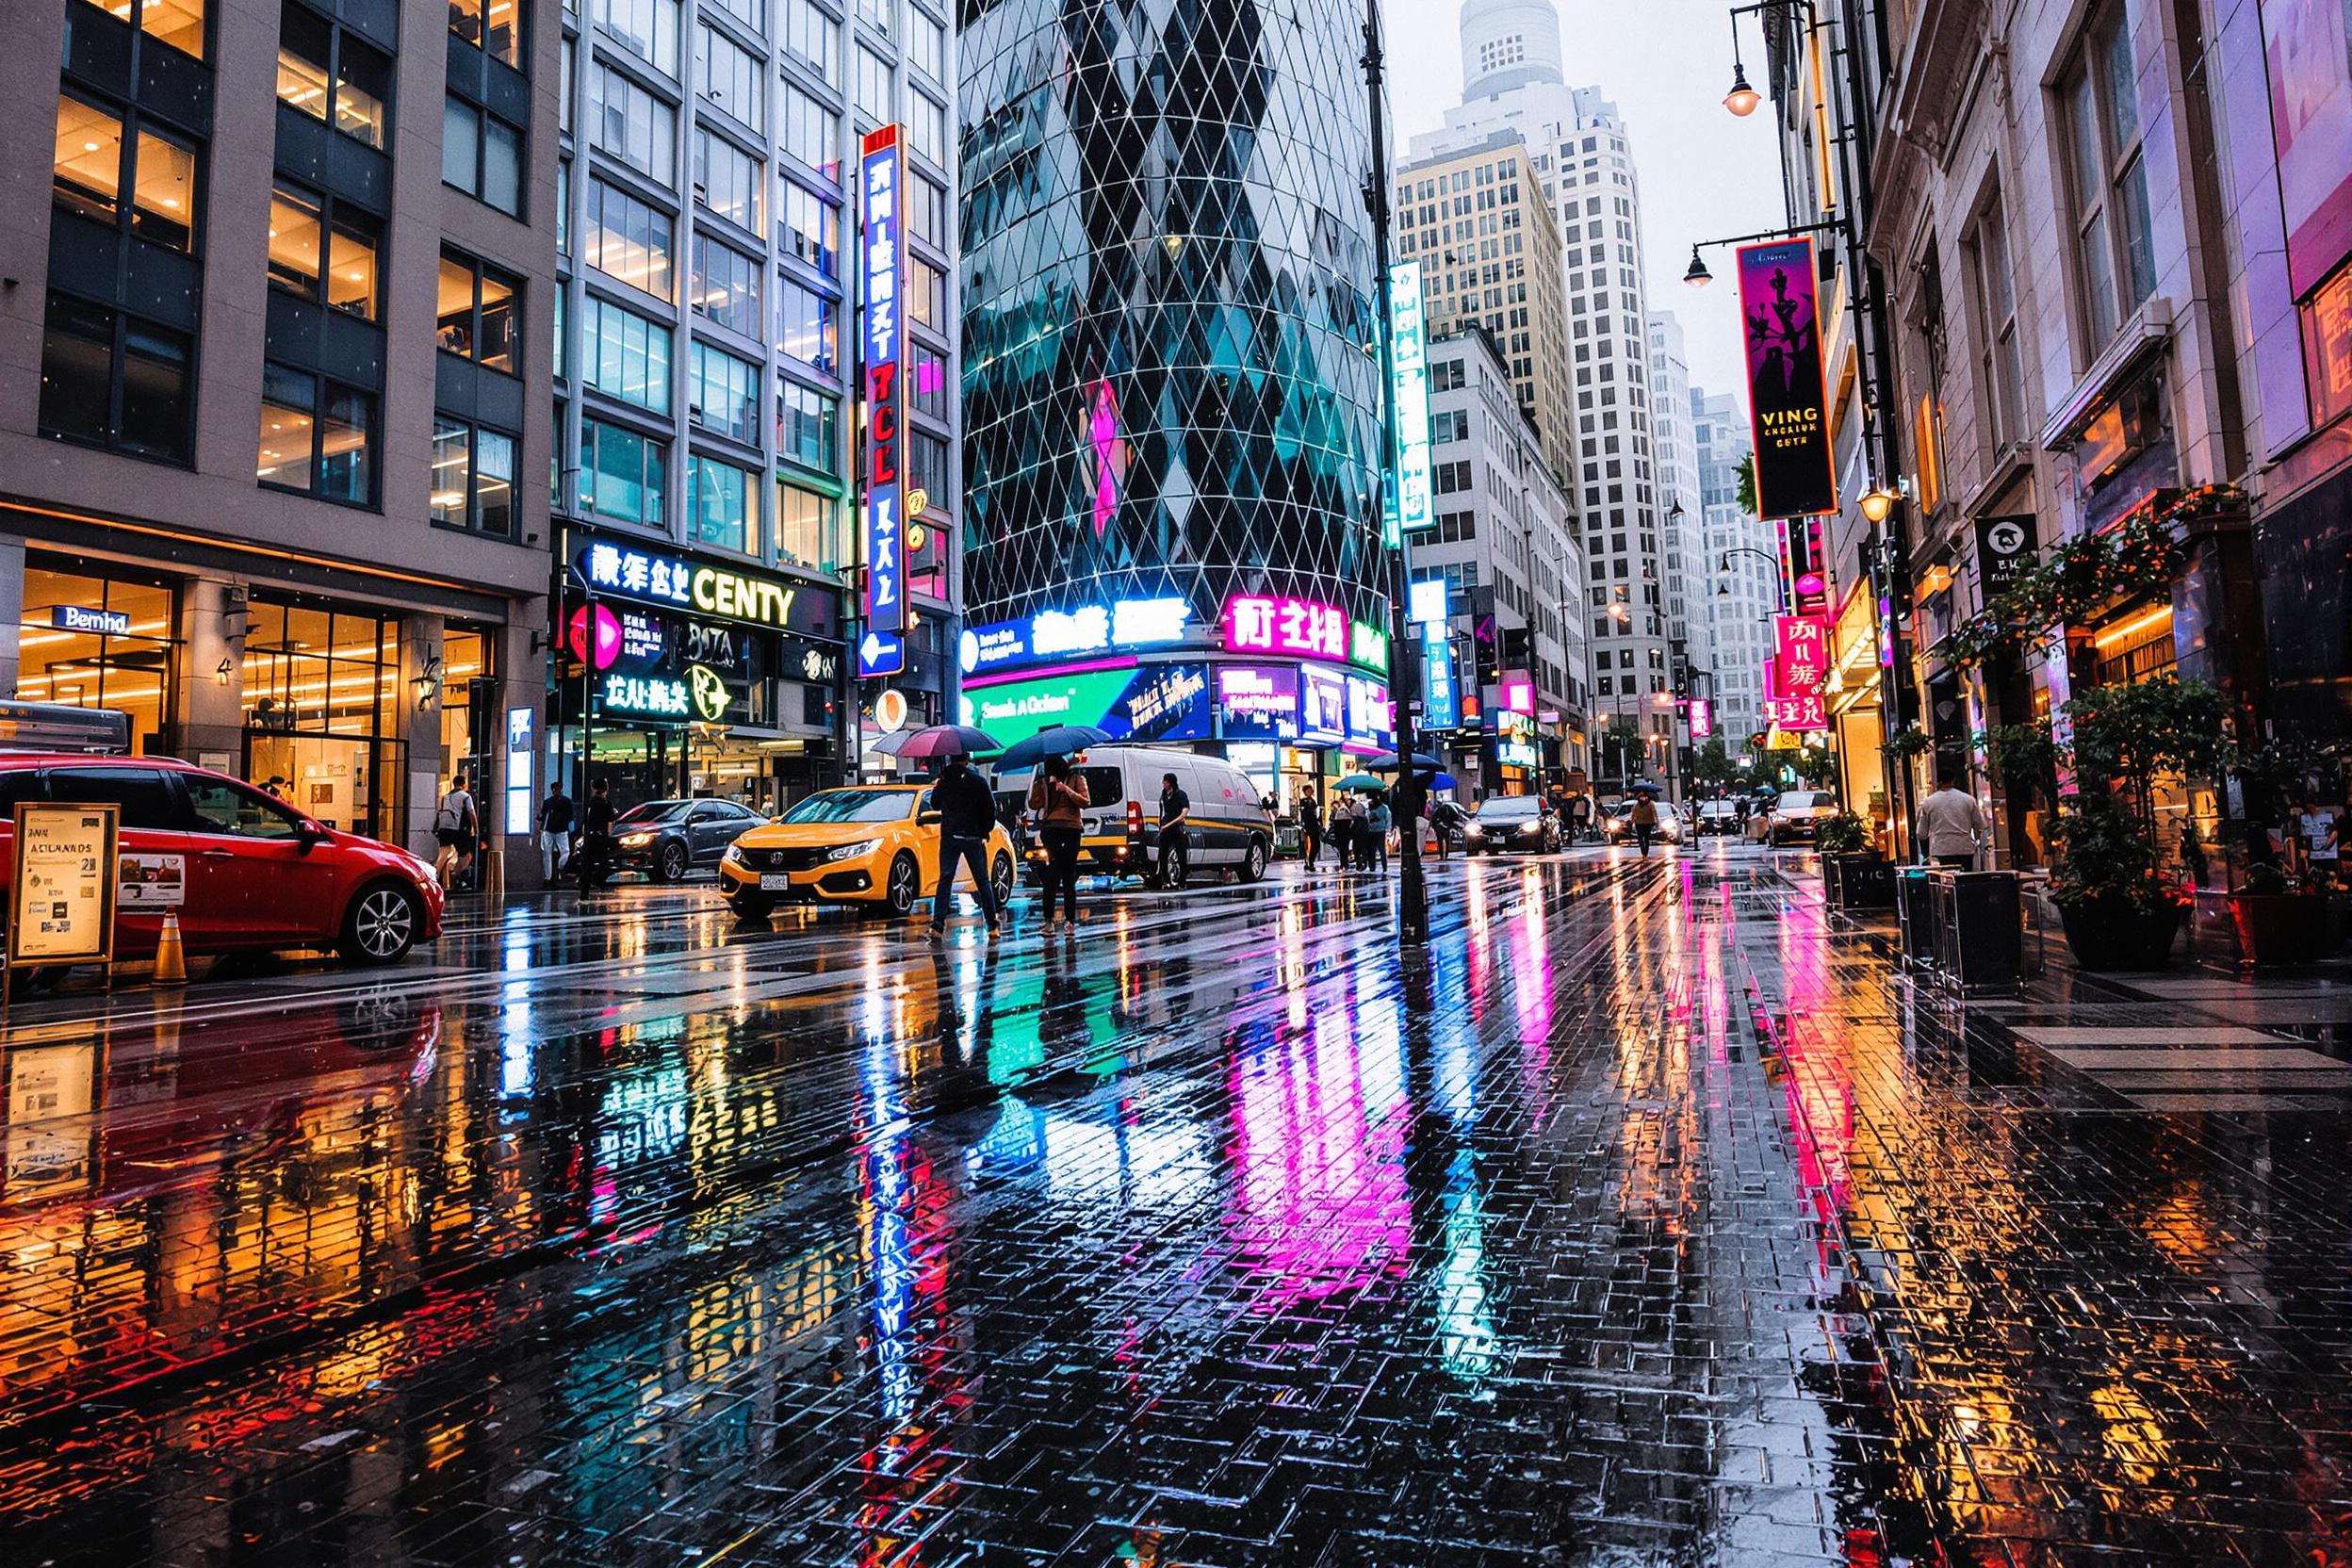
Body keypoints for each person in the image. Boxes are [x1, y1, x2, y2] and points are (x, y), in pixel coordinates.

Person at [925, 753, 1003, 939]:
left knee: (945, 879)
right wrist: (985, 831)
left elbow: (934, 804)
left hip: (950, 835)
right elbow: (990, 808)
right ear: (967, 758)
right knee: (982, 880)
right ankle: (992, 926)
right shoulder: (978, 781)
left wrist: (938, 786)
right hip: (973, 836)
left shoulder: (944, 780)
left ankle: (937, 926)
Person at [1028, 755, 1089, 930]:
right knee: (1057, 874)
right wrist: (1040, 785)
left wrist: (1066, 790)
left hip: (1069, 829)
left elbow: (1085, 802)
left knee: (1064, 874)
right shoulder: (1045, 784)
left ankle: (1060, 921)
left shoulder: (1076, 780)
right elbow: (1033, 804)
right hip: (1053, 829)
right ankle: (1057, 921)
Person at [1918, 766, 1987, 869]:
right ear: (1953, 781)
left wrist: (1926, 852)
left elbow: (1921, 833)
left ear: (1937, 782)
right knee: (1964, 881)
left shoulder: (1929, 802)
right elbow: (1980, 826)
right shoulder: (1968, 800)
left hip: (1940, 850)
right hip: (1965, 849)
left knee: (1945, 881)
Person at [434, 772, 479, 891]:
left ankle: (435, 875)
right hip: (458, 829)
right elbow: (471, 813)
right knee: (466, 855)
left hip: (444, 829)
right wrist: (476, 828)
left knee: (445, 852)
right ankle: (458, 877)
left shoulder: (446, 797)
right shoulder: (465, 796)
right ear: (464, 784)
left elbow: (439, 813)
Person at [579, 777, 618, 889]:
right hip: (601, 836)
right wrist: (608, 835)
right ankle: (597, 880)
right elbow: (610, 822)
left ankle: (585, 884)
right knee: (603, 862)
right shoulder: (607, 803)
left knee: (587, 862)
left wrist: (584, 834)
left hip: (589, 835)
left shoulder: (589, 802)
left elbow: (585, 820)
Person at [1156, 771, 1192, 888]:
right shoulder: (1163, 795)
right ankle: (1165, 880)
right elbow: (1162, 812)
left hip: (1177, 828)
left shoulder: (1180, 794)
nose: (1163, 784)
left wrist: (1170, 824)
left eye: (1165, 782)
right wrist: (1162, 825)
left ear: (1170, 783)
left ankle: (1182, 881)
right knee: (1162, 855)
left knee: (1181, 855)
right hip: (1165, 828)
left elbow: (1184, 813)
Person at [537, 782, 575, 883]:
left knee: (549, 853)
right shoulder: (565, 801)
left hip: (551, 829)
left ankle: (549, 875)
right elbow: (570, 816)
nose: (556, 791)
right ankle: (554, 872)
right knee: (561, 852)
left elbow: (542, 815)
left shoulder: (549, 802)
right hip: (558, 830)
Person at [2296, 792, 2339, 878]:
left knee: (2330, 875)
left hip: (2328, 853)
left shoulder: (2327, 815)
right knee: (2316, 876)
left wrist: (2328, 843)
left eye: (2311, 807)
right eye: (2307, 808)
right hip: (2314, 855)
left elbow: (2335, 832)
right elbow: (2304, 837)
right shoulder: (2304, 818)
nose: (2309, 810)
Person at [1366, 791, 1393, 872]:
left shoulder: (1381, 808)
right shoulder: (1383, 807)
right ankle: (1382, 866)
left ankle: (1374, 866)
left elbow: (1368, 818)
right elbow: (1388, 818)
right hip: (1378, 830)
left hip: (1375, 830)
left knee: (1374, 850)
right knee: (1378, 849)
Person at [1629, 791, 1660, 857]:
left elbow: (1654, 813)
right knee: (1640, 838)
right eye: (1641, 797)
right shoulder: (1637, 805)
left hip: (1648, 823)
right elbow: (1634, 814)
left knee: (1646, 838)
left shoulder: (1650, 804)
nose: (1643, 798)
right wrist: (1632, 821)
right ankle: (1643, 851)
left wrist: (1656, 821)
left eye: (1644, 797)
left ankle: (1645, 852)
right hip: (1639, 823)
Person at [1298, 790, 1323, 871]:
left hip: (1314, 824)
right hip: (1307, 824)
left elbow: (1316, 813)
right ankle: (1309, 861)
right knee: (1307, 844)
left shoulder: (1313, 801)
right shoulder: (1303, 801)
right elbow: (1302, 813)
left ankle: (1311, 860)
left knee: (1316, 843)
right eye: (1307, 791)